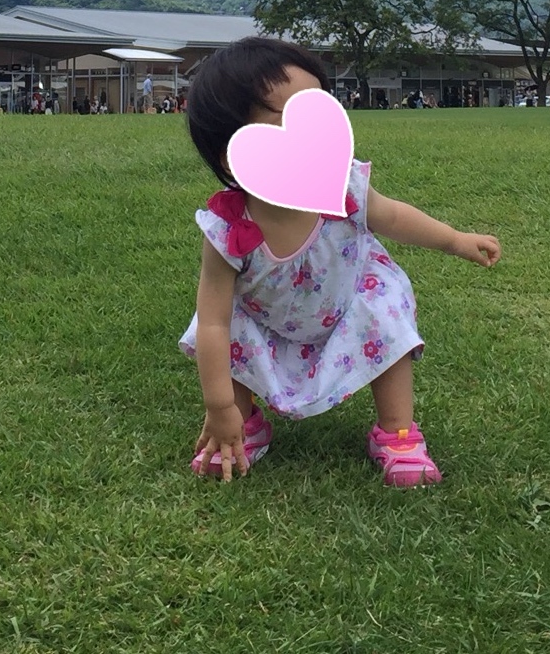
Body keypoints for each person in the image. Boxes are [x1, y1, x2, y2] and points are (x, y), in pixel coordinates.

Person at [180, 37, 501, 487]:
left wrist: (453, 240)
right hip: (268, 319)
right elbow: (212, 322)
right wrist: (219, 407)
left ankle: (398, 434)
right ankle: (242, 425)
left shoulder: (343, 186)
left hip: (348, 301)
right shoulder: (228, 231)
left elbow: (391, 215)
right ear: (233, 153)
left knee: (383, 317)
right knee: (234, 328)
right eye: (289, 120)